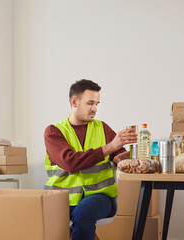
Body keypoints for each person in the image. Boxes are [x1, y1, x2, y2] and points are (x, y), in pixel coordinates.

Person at [44, 79, 138, 240]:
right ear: (74, 102)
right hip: (61, 199)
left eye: (97, 104)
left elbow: (119, 155)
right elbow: (70, 163)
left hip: (99, 197)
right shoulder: (54, 132)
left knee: (84, 212)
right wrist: (110, 147)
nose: (95, 109)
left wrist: (131, 154)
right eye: (90, 103)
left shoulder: (102, 128)